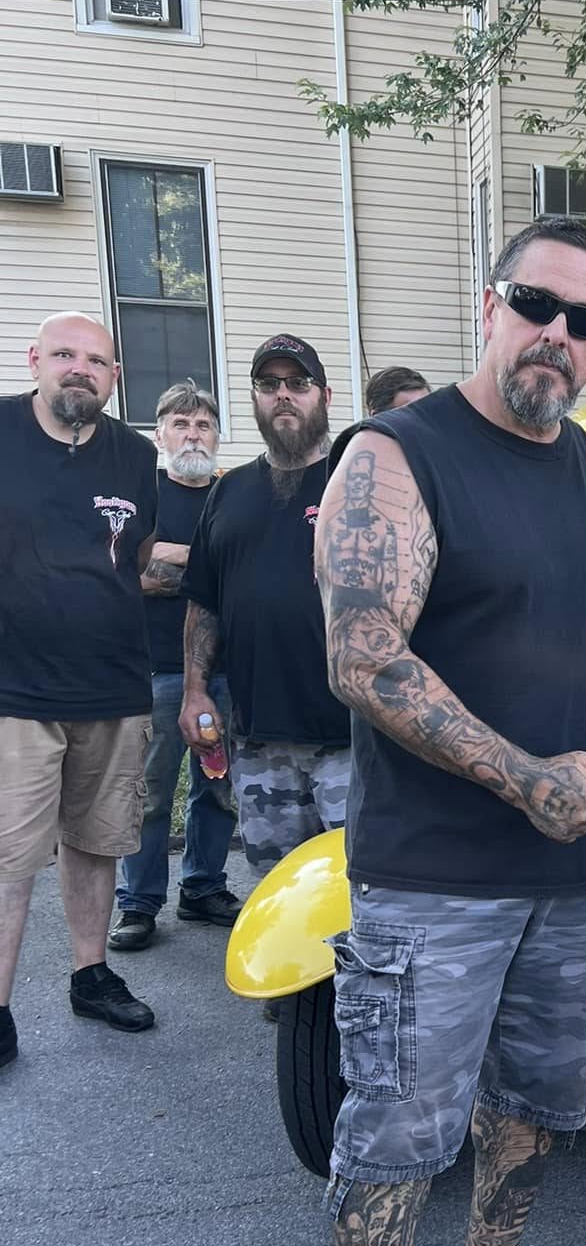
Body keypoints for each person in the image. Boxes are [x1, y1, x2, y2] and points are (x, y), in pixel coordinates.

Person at [311, 215, 586, 1246]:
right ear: (489, 304)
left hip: (571, 877)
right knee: (397, 1129)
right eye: (538, 304)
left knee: (536, 1101)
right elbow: (364, 656)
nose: (559, 336)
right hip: (434, 878)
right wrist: (526, 778)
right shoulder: (398, 456)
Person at [0, 312, 158, 1063]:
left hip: (112, 688)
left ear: (114, 378)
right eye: (65, 354)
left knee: (97, 844)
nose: (79, 370)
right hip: (14, 694)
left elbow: (139, 557)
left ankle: (90, 974)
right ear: (35, 359)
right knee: (8, 859)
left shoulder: (136, 454)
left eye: (96, 361)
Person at [178, 337, 351, 888]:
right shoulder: (228, 492)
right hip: (259, 741)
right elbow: (205, 600)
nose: (283, 395)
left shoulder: (358, 480)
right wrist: (195, 692)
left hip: (352, 739)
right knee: (279, 893)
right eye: (269, 384)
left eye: (298, 383)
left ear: (325, 395)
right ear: (254, 397)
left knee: (362, 894)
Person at [109, 382, 240, 953]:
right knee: (150, 792)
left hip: (226, 672)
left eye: (203, 425)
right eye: (181, 424)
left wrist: (171, 557)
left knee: (218, 787)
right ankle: (138, 903)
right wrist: (207, 563)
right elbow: (126, 571)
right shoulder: (143, 494)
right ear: (159, 434)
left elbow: (243, 568)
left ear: (217, 436)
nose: (193, 435)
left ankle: (204, 887)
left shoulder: (232, 494)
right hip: (157, 670)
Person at [327, 367, 433, 478]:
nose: (421, 421)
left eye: (426, 410)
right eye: (409, 413)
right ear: (378, 418)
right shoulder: (360, 468)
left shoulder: (439, 458)